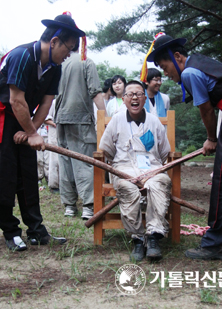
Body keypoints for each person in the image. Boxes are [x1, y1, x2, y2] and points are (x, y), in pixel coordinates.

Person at [146, 32, 222, 260]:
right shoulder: (201, 63)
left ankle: (217, 244)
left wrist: (212, 139)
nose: (165, 73)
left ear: (177, 57)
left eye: (165, 67)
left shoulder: (191, 73)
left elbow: (206, 110)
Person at [0, 13, 85, 251]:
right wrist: (32, 132)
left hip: (24, 119)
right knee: (5, 176)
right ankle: (11, 231)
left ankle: (36, 231)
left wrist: (31, 132)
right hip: (2, 118)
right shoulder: (22, 56)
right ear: (55, 41)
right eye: (68, 48)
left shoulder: (55, 67)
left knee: (28, 175)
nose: (69, 54)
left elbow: (46, 104)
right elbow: (16, 100)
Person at [99, 80, 172, 261]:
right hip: (124, 169)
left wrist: (151, 169)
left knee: (161, 182)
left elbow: (164, 153)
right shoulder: (116, 119)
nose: (134, 98)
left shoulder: (154, 122)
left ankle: (153, 236)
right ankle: (138, 238)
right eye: (130, 94)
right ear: (123, 99)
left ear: (144, 98)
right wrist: (121, 166)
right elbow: (106, 149)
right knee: (127, 188)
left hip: (152, 169)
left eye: (138, 94)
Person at [54, 39, 107, 220]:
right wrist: (105, 117)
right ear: (80, 45)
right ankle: (88, 205)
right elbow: (95, 92)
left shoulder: (59, 63)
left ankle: (69, 205)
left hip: (60, 118)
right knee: (84, 162)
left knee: (66, 161)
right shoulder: (86, 61)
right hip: (81, 118)